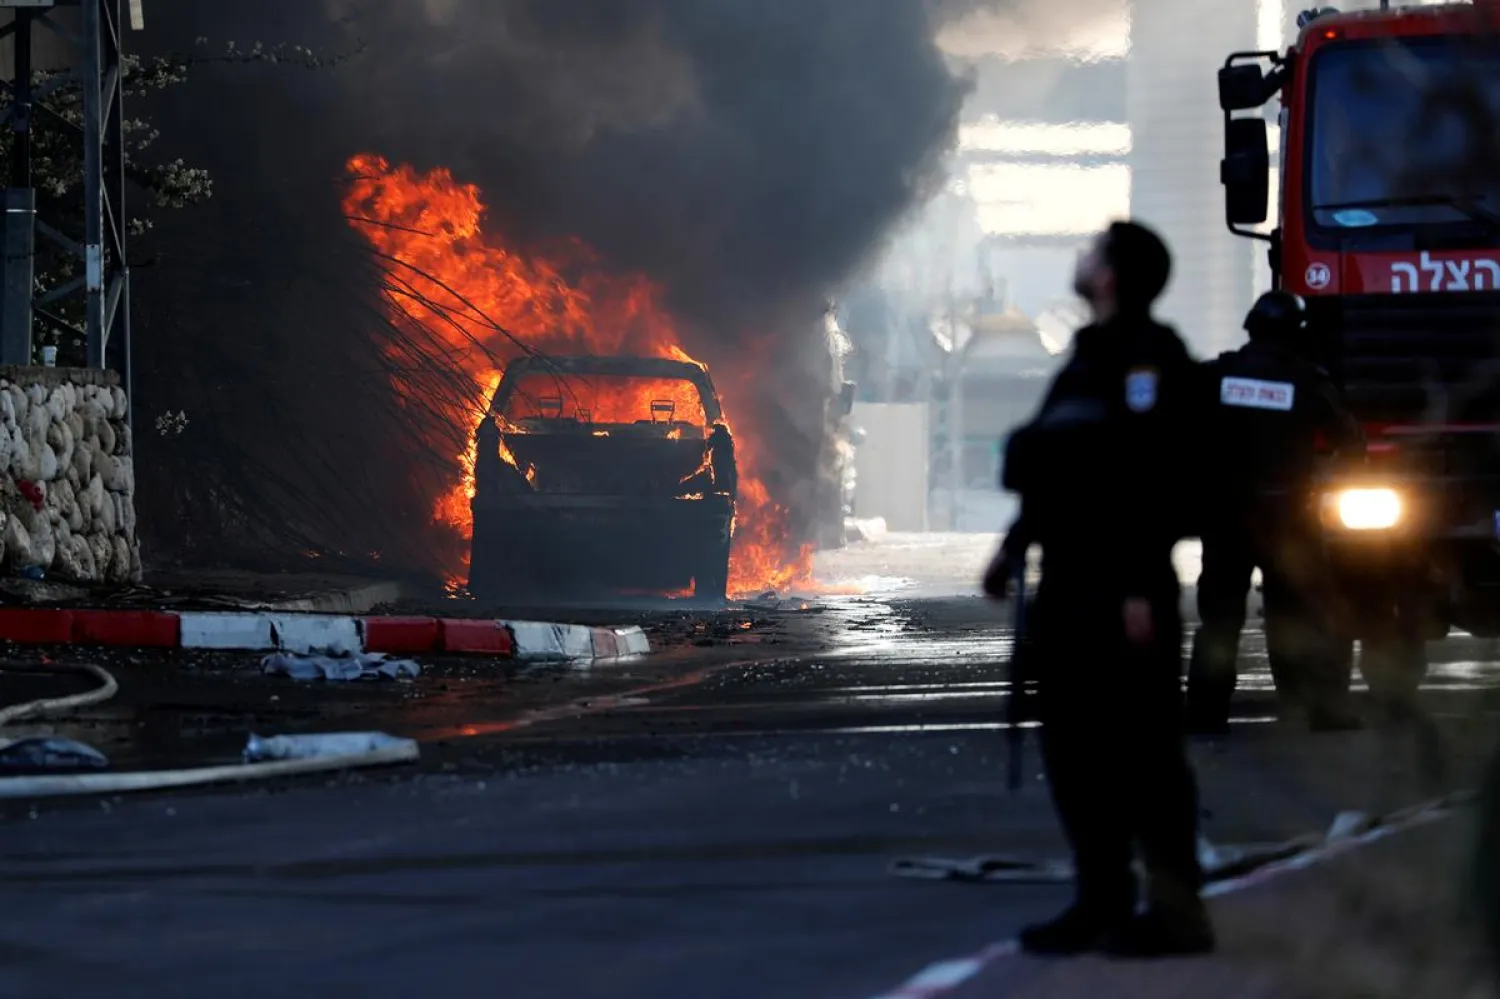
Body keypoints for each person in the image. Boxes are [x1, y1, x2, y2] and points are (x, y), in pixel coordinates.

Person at [984, 220, 1214, 958]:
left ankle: (1178, 914)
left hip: (1124, 590)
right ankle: (1102, 899)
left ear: (1112, 275)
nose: (1078, 259)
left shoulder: (1153, 360)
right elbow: (1056, 467)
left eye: (1091, 251)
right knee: (1078, 754)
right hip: (1069, 590)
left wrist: (1143, 586)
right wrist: (1012, 547)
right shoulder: (1083, 360)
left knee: (1145, 756)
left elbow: (1155, 479)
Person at [1184, 291, 1365, 736]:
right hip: (1290, 518)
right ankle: (1318, 710)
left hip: (1228, 517)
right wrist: (1319, 474)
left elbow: (1182, 435)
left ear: (1251, 329)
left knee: (1220, 620)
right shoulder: (1309, 381)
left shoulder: (1216, 376)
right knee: (1304, 614)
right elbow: (1352, 444)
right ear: (1296, 333)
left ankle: (1206, 716)